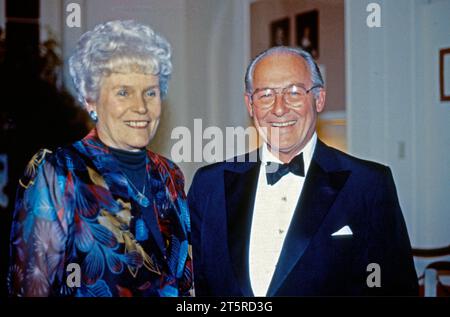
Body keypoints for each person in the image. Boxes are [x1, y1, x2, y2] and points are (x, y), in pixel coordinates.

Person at [188, 46, 418, 296]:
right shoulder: (209, 185)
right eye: (265, 94)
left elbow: (395, 289)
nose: (279, 108)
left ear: (318, 99)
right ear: (250, 104)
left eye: (294, 92)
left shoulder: (369, 184)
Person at [8, 20, 193, 297]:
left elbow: (183, 283)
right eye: (123, 92)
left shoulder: (168, 175)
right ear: (90, 100)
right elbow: (31, 288)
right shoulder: (58, 172)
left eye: (150, 93)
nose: (141, 107)